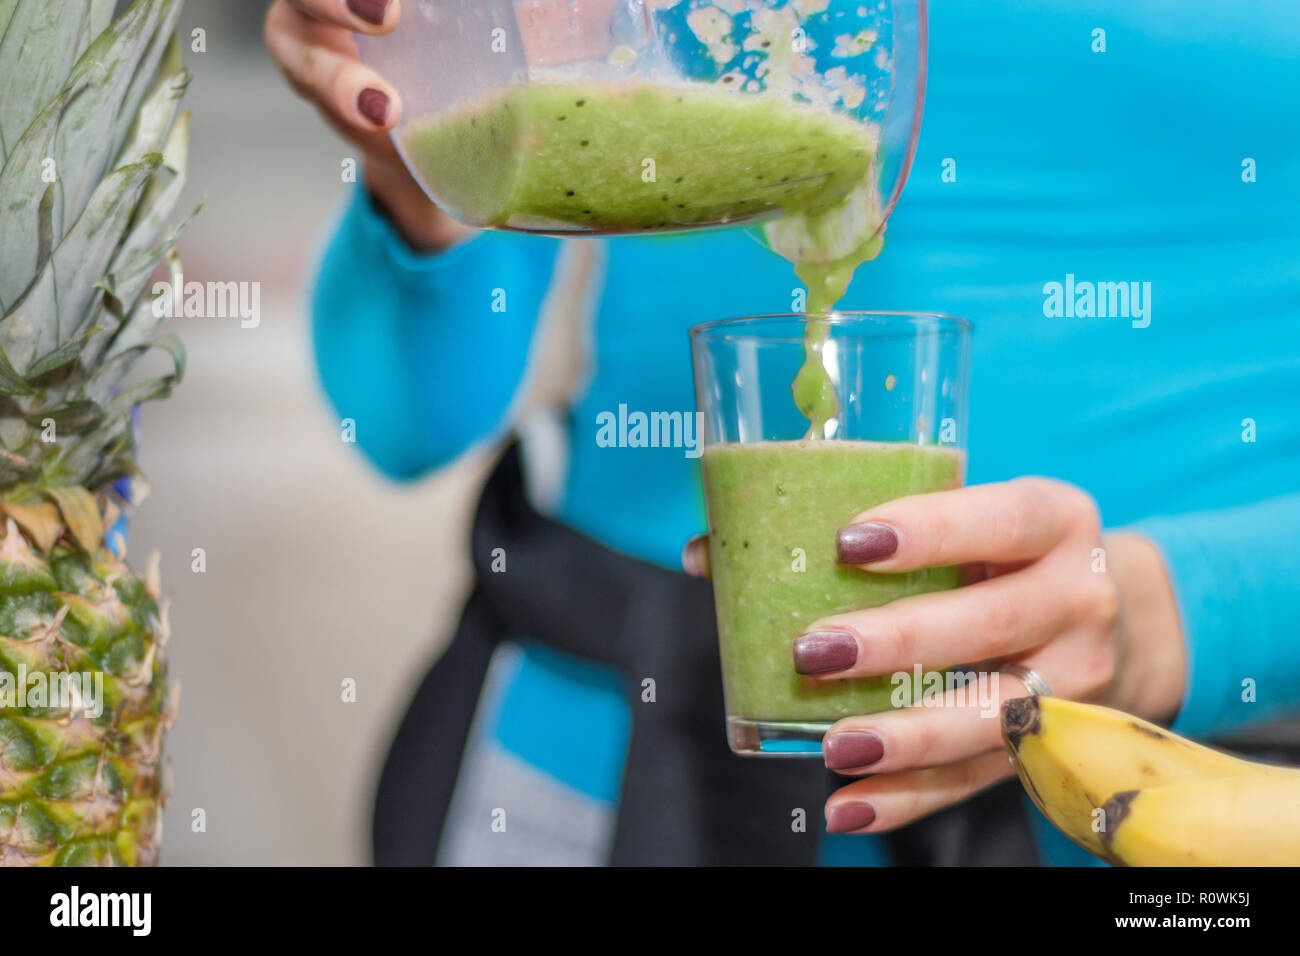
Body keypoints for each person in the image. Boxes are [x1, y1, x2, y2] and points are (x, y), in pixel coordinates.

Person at [266, 0, 1300, 865]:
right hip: (618, 751)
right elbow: (403, 416)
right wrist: (419, 133)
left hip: (1180, 784)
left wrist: (1188, 610)